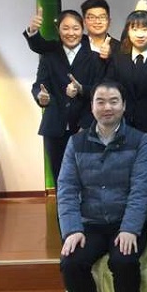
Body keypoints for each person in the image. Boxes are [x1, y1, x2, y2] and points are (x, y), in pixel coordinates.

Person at [58, 81, 147, 292]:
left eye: (113, 101)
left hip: (125, 222)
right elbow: (67, 189)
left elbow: (141, 189)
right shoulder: (76, 142)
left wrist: (130, 228)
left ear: (124, 106)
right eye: (100, 101)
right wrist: (72, 230)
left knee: (124, 261)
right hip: (90, 224)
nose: (107, 107)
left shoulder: (140, 140)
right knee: (70, 262)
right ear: (91, 106)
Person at [29, 10, 104, 185]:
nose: (71, 33)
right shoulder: (49, 55)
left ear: (82, 29)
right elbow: (39, 84)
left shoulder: (95, 57)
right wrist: (41, 96)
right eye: (65, 28)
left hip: (86, 127)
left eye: (75, 28)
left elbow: (100, 91)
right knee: (60, 180)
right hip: (55, 127)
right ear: (58, 30)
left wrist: (87, 121)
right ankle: (62, 206)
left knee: (88, 181)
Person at [104, 10, 147, 157]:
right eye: (134, 29)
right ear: (128, 32)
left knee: (145, 167)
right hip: (121, 126)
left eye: (145, 29)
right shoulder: (118, 59)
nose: (140, 34)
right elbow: (108, 87)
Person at [26, 0, 120, 60]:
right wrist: (33, 31)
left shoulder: (120, 48)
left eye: (102, 17)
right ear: (84, 22)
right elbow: (40, 47)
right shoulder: (70, 41)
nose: (97, 21)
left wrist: (110, 56)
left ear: (109, 21)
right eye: (91, 17)